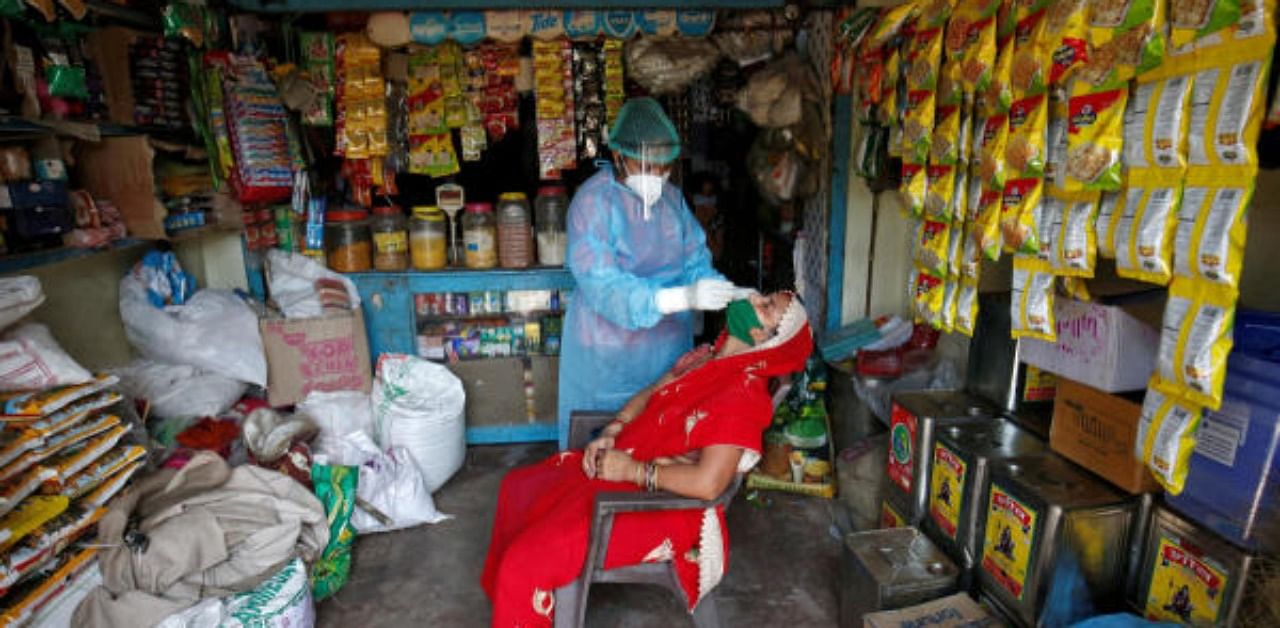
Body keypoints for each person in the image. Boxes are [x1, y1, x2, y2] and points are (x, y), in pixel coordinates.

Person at [483, 292, 812, 627]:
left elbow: (709, 484)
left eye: (767, 307)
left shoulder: (741, 394)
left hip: (656, 505)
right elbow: (653, 392)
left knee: (523, 562)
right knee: (518, 488)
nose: (755, 298)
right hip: (625, 469)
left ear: (762, 337)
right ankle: (519, 608)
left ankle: (521, 598)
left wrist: (633, 470)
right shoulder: (708, 359)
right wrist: (615, 427)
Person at [558, 97, 743, 449]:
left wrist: (715, 287)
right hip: (607, 352)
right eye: (647, 165)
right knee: (601, 443)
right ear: (617, 156)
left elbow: (694, 259)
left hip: (667, 349)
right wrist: (680, 298)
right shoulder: (592, 204)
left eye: (663, 167)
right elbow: (603, 284)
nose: (657, 176)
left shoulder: (672, 201)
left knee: (660, 437)